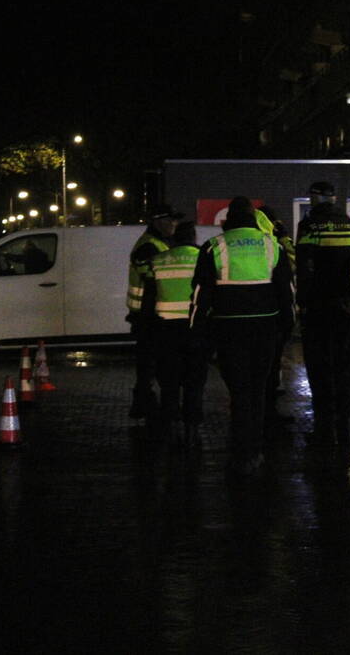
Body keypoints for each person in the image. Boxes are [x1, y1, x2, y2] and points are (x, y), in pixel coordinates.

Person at [191, 197, 294, 477]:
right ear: (253, 219)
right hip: (265, 329)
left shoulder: (214, 247)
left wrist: (198, 331)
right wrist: (288, 326)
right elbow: (287, 292)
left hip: (228, 329)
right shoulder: (272, 246)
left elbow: (200, 296)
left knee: (238, 391)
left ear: (228, 220)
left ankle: (241, 451)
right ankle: (255, 449)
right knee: (259, 390)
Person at [296, 181, 350, 448]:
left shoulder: (310, 226)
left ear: (317, 198)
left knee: (318, 362)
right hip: (343, 304)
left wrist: (303, 301)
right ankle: (345, 410)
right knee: (343, 361)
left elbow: (304, 267)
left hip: (318, 304)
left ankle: (323, 419)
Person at [150, 220, 209, 450]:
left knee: (170, 383)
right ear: (194, 237)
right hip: (196, 330)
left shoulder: (159, 260)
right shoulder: (202, 259)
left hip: (166, 331)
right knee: (195, 383)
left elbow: (150, 298)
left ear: (174, 238)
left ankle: (172, 430)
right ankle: (192, 431)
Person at [125, 203, 180, 420]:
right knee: (149, 362)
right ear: (158, 222)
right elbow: (154, 279)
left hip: (149, 313)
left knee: (149, 361)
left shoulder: (158, 243)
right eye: (170, 220)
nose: (173, 224)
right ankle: (144, 403)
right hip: (146, 315)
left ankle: (145, 403)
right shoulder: (149, 246)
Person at [255, 206, 296, 433]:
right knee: (269, 366)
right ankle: (267, 414)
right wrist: (285, 238)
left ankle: (251, 412)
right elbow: (291, 266)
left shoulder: (254, 243)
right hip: (273, 316)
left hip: (254, 316)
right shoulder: (273, 246)